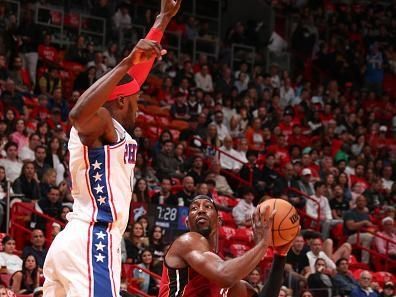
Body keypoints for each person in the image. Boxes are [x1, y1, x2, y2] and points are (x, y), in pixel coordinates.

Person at [42, 1, 181, 296]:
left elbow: (136, 75)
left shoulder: (110, 122)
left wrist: (162, 19)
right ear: (120, 101)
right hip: (94, 238)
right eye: (136, 102)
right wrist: (126, 62)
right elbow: (77, 115)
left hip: (76, 239)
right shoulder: (101, 120)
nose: (139, 109)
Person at [158, 195, 297, 297]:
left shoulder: (232, 282)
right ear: (187, 223)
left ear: (219, 221)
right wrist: (264, 243)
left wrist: (280, 256)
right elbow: (224, 275)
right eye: (194, 208)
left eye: (207, 207)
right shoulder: (187, 241)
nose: (200, 210)